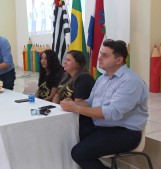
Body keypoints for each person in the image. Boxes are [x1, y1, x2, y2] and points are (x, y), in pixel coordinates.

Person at [61, 40, 148, 169]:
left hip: (125, 132)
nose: (99, 58)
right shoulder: (103, 78)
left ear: (119, 60)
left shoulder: (130, 80)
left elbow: (112, 113)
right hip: (102, 126)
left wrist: (77, 108)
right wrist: (73, 103)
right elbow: (90, 102)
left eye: (105, 55)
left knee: (79, 153)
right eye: (101, 53)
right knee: (65, 134)